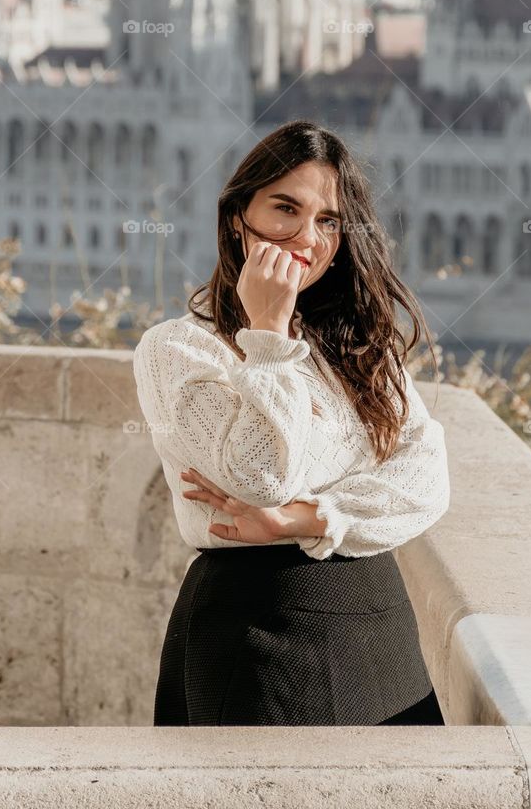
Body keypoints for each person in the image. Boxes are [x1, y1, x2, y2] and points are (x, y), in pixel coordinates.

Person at [133, 119, 451, 725]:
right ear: (237, 218)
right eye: (285, 209)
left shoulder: (360, 349)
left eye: (327, 220)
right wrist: (269, 335)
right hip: (255, 628)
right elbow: (262, 476)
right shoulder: (177, 350)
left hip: (378, 624)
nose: (307, 237)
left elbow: (427, 480)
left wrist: (300, 520)